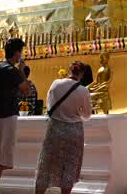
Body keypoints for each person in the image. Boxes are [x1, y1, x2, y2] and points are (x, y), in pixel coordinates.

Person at [0, 38, 34, 194]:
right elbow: (27, 90)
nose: (21, 55)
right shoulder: (12, 71)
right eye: (20, 52)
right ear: (17, 53)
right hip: (6, 118)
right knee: (0, 160)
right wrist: (23, 71)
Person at [33, 61, 93, 194]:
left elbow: (49, 106)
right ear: (81, 74)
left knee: (46, 165)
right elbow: (87, 115)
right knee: (69, 168)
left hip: (54, 129)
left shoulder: (55, 84)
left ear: (69, 71)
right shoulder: (83, 90)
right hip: (74, 132)